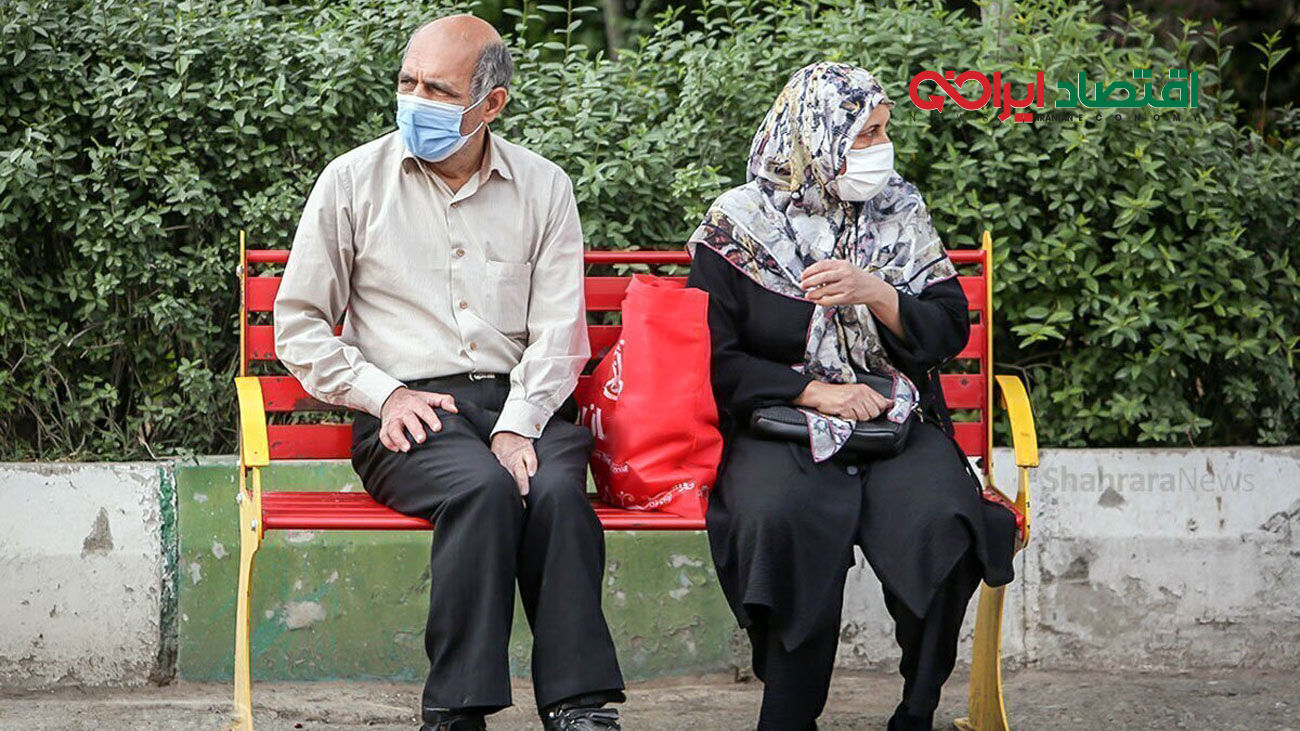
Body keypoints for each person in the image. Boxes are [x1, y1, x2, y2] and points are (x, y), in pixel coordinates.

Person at [273, 15, 624, 731]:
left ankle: (578, 706)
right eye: (408, 82)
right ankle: (455, 711)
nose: (415, 100)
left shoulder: (544, 187)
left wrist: (519, 423)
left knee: (557, 494)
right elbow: (299, 324)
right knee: (481, 490)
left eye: (437, 89)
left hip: (524, 402)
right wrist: (384, 394)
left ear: (491, 103)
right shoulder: (352, 182)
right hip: (410, 414)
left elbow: (561, 334)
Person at [684, 62, 1019, 731]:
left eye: (884, 130)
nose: (880, 148)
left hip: (895, 418)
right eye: (866, 134)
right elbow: (710, 357)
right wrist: (813, 391)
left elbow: (948, 327)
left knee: (944, 522)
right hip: (779, 423)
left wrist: (878, 293)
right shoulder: (739, 224)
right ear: (815, 137)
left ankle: (917, 710)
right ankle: (789, 714)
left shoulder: (899, 210)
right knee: (777, 519)